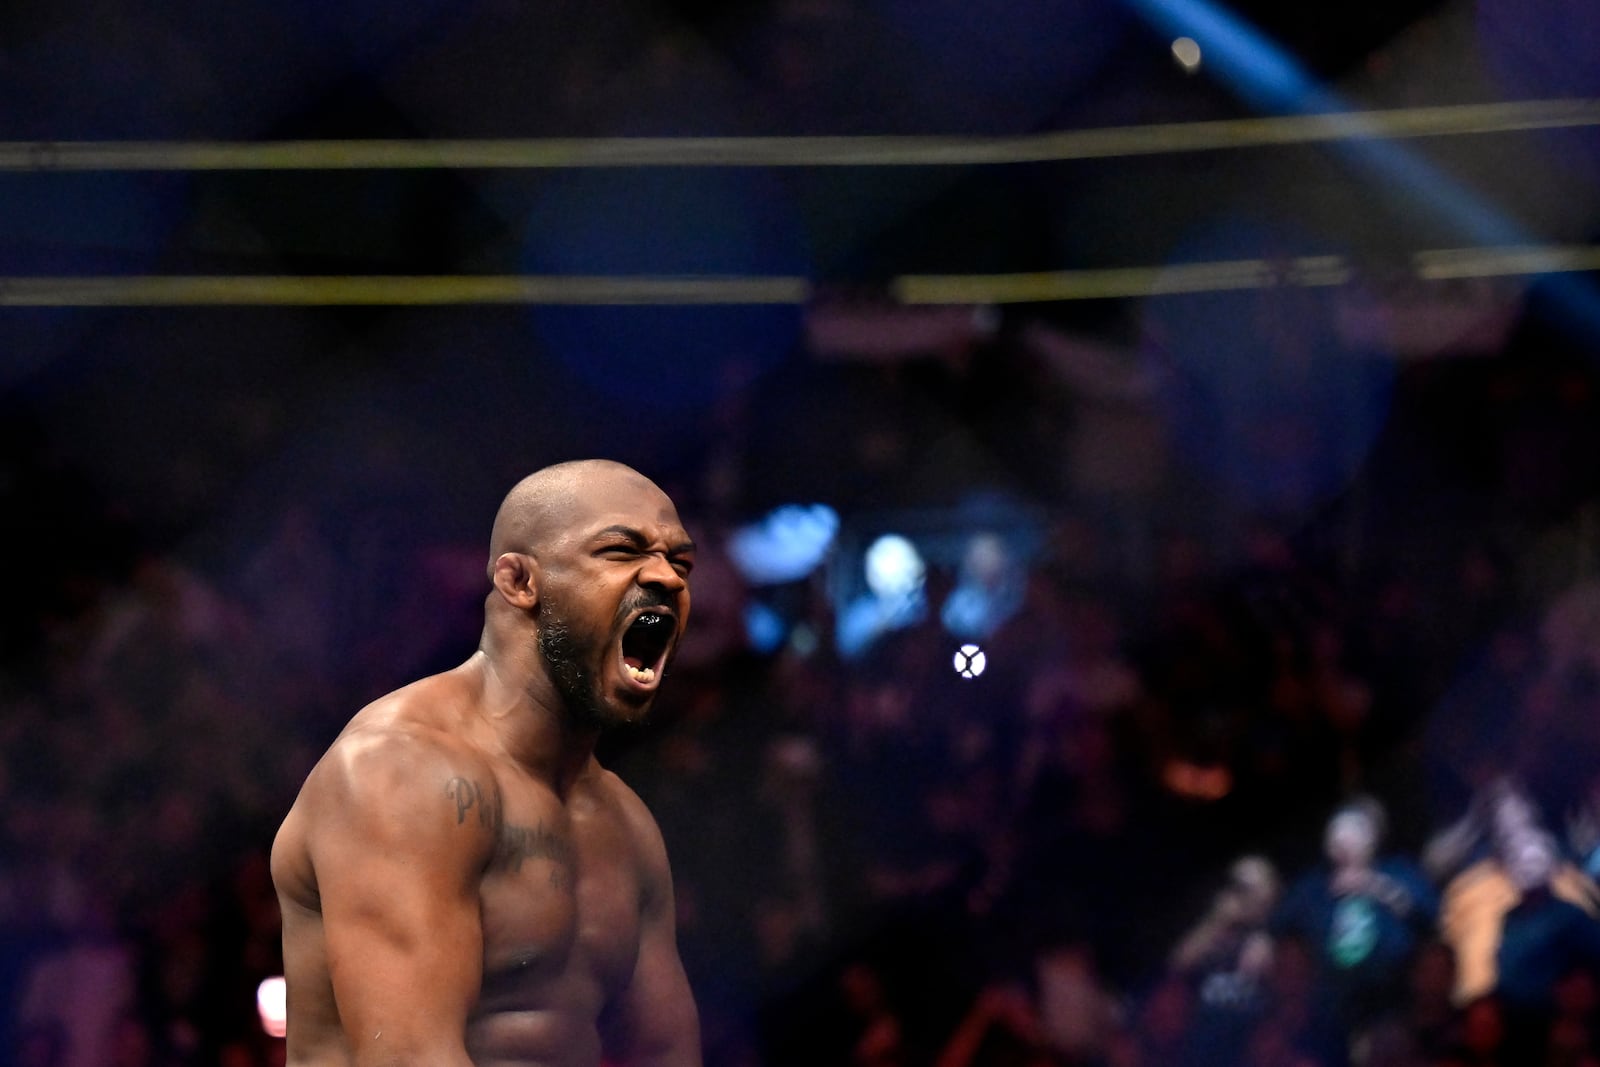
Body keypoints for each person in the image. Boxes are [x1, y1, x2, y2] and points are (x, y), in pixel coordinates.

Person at [271, 460, 703, 1067]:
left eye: (680, 562)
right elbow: (409, 1058)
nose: (665, 577)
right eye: (619, 551)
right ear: (518, 580)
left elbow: (665, 1054)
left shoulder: (627, 826)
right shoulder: (399, 770)